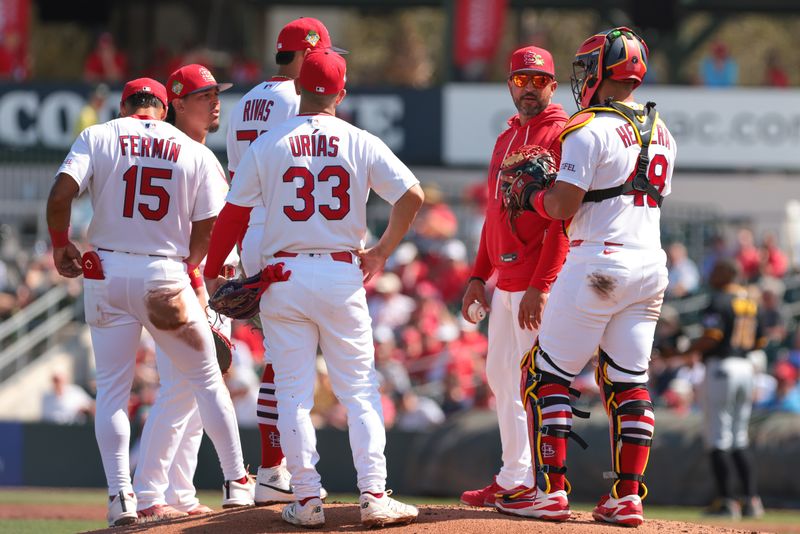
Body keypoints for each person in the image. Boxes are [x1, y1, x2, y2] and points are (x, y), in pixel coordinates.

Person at [203, 49, 423, 529]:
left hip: (284, 276)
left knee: (293, 394)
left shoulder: (269, 142)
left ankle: (305, 500)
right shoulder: (359, 140)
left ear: (298, 88)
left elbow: (234, 215)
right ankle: (374, 495)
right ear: (341, 94)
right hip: (343, 272)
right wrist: (383, 251)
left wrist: (213, 268)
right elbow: (412, 194)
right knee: (360, 391)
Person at [45, 78, 254, 527]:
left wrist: (60, 244)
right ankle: (237, 482)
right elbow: (209, 225)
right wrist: (191, 263)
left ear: (125, 106)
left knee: (113, 394)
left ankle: (121, 497)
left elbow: (61, 194)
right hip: (164, 273)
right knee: (206, 379)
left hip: (105, 272)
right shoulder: (192, 149)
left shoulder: (99, 134)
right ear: (164, 108)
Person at [493, 28, 677, 527]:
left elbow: (562, 206)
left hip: (597, 261)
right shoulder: (664, 132)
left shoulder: (587, 126)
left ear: (600, 70)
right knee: (629, 382)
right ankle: (628, 496)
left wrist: (531, 191)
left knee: (543, 374)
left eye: (585, 67)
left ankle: (549, 490)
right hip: (650, 266)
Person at [225, 16, 343, 506]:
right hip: (284, 233)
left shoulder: (242, 104)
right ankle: (274, 468)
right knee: (286, 360)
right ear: (305, 54)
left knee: (280, 355)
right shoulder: (301, 99)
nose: (324, 65)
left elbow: (237, 182)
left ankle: (271, 466)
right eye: (319, 55)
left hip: (252, 230)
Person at [459, 45, 569, 508]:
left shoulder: (562, 133)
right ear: (509, 84)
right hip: (503, 280)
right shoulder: (505, 139)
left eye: (538, 81)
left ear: (553, 85)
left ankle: (545, 483)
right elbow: (493, 214)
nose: (529, 89)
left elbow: (562, 220)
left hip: (535, 281)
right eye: (521, 81)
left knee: (534, 381)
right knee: (501, 376)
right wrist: (477, 276)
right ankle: (514, 474)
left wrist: (541, 286)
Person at [131, 64, 235, 521]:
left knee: (195, 394)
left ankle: (179, 489)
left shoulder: (191, 153)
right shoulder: (185, 154)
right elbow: (191, 241)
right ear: (176, 103)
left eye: (217, 93)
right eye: (204, 95)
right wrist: (201, 288)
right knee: (180, 390)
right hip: (190, 284)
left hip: (206, 284)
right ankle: (149, 493)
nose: (215, 102)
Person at [681, 260, 766, 519]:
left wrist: (686, 350)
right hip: (746, 367)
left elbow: (712, 337)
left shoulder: (718, 300)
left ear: (726, 273)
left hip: (721, 368)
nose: (711, 274)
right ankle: (751, 500)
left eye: (715, 270)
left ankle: (726, 501)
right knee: (739, 437)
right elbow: (760, 340)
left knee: (718, 436)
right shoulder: (751, 303)